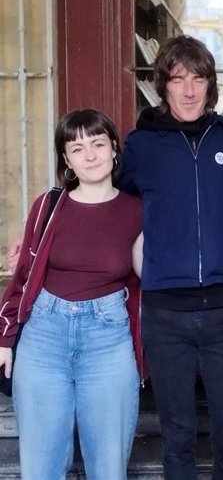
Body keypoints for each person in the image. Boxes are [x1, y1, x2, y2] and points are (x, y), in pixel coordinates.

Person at [119, 35, 223, 480]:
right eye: (178, 79)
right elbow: (109, 205)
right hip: (165, 313)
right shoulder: (140, 147)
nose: (189, 90)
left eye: (199, 79)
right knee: (176, 434)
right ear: (164, 86)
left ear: (211, 85)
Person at [0, 109, 143, 479]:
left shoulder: (138, 211)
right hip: (43, 337)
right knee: (41, 467)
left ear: (114, 148)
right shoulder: (47, 207)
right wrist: (4, 337)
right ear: (66, 159)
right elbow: (23, 277)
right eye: (77, 148)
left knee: (108, 467)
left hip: (108, 339)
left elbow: (147, 279)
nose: (90, 155)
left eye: (98, 144)